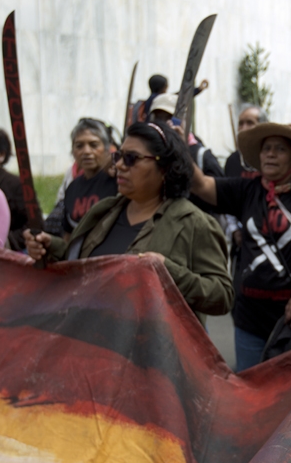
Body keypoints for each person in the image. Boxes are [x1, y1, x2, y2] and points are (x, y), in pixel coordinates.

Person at [188, 122, 291, 463]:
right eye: (266, 148)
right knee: (250, 391)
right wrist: (182, 139)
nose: (270, 154)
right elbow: (200, 184)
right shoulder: (247, 189)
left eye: (280, 149)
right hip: (249, 314)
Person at [24, 122, 233, 325]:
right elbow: (82, 262)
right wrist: (49, 246)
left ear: (165, 168)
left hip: (153, 354)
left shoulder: (194, 223)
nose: (120, 166)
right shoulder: (105, 211)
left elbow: (222, 296)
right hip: (91, 342)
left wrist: (169, 271)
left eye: (132, 158)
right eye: (119, 156)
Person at [61, 119, 118, 239]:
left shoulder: (118, 182)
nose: (86, 151)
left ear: (107, 148)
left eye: (94, 145)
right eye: (79, 146)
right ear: (73, 151)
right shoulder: (72, 188)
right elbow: (68, 234)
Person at [225, 105, 267, 180]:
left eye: (250, 123)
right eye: (240, 123)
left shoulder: (270, 157)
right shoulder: (233, 160)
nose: (243, 128)